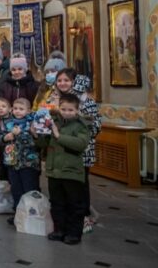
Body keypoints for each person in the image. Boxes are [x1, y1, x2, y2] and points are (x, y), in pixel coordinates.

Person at [33, 94, 90, 245]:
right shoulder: (54, 121)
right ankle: (59, 230)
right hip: (54, 170)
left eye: (70, 110)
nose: (66, 112)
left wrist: (58, 136)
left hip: (71, 171)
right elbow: (43, 144)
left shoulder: (81, 125)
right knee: (57, 203)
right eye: (63, 109)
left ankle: (73, 233)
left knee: (74, 204)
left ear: (77, 110)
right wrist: (36, 134)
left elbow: (80, 144)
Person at [53, 69, 102, 233]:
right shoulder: (54, 99)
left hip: (80, 151)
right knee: (62, 188)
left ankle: (83, 219)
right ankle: (66, 220)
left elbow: (95, 127)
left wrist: (76, 120)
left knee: (80, 187)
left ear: (74, 81)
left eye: (66, 80)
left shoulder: (85, 101)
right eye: (59, 80)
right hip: (59, 151)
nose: (62, 83)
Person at [1, 98, 40, 216]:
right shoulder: (7, 123)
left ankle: (31, 214)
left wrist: (25, 134)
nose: (18, 111)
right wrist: (5, 138)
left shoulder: (32, 123)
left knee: (29, 189)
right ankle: (18, 214)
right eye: (16, 109)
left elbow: (36, 142)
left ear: (28, 111)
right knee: (16, 189)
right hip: (12, 162)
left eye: (21, 109)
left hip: (28, 163)